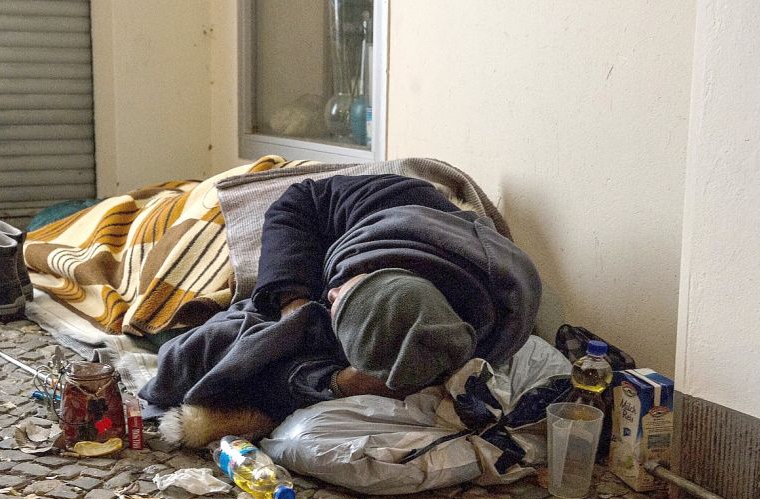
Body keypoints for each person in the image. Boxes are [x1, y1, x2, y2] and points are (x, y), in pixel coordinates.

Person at [139, 173, 542, 447]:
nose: (329, 298)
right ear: (370, 268)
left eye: (336, 304)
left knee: (267, 355)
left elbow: (411, 364)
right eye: (342, 295)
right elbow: (293, 202)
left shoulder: (502, 316)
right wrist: (293, 300)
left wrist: (338, 384)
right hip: (321, 205)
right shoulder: (394, 201)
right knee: (221, 321)